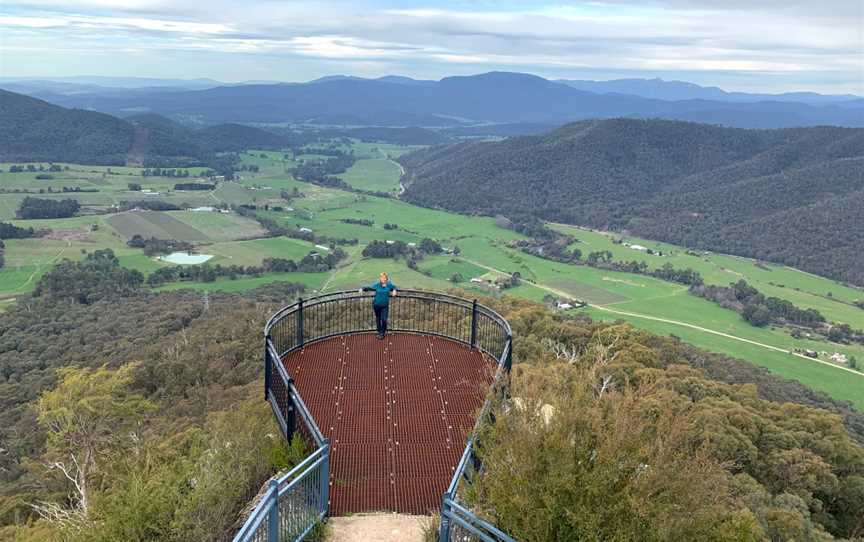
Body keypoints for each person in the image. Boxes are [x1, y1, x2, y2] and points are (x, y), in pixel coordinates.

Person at [360, 272, 398, 339]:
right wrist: (362, 288)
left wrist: (394, 290)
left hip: (385, 306)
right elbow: (369, 288)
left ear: (386, 279)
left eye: (384, 278)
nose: (383, 279)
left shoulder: (389, 285)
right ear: (380, 279)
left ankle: (382, 333)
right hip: (376, 305)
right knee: (378, 318)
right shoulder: (377, 285)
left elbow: (394, 287)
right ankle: (380, 332)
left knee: (384, 319)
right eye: (382, 277)